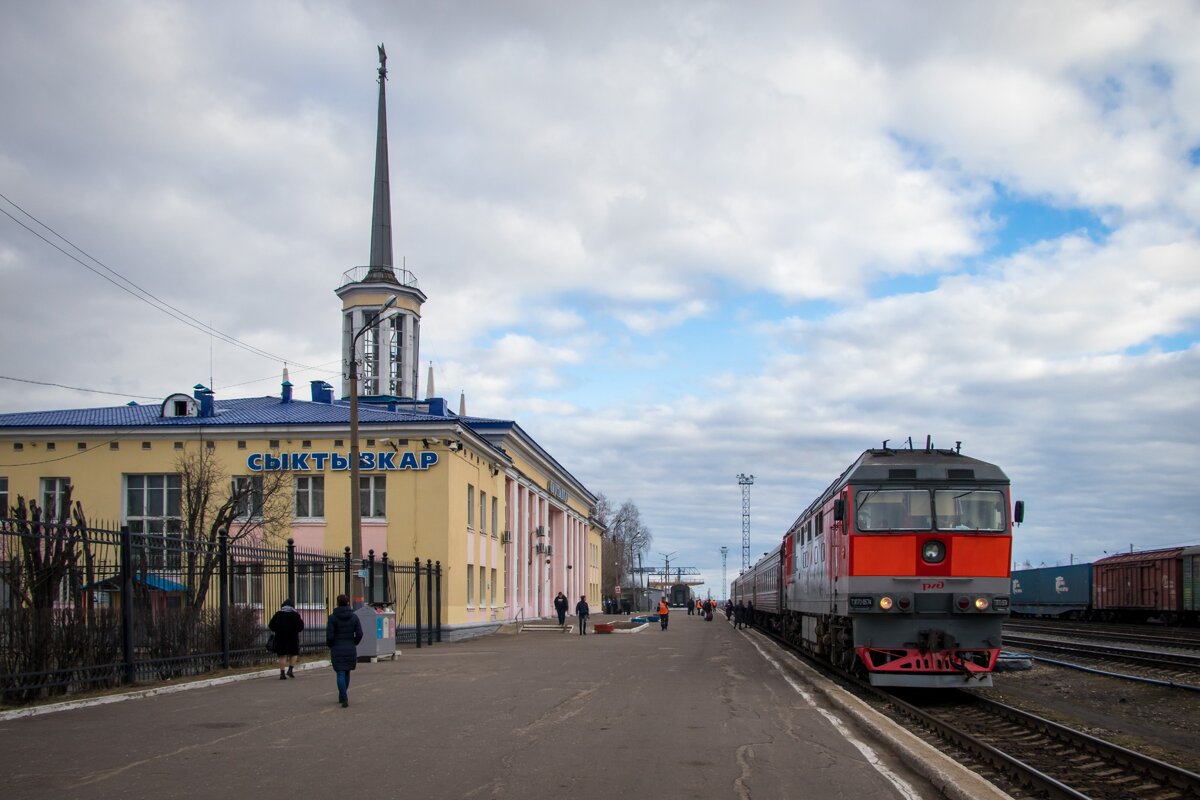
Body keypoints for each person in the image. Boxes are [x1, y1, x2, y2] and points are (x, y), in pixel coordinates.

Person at [326, 594, 363, 708]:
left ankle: (343, 695)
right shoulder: (354, 617)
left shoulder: (332, 618)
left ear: (337, 603)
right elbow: (360, 633)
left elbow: (330, 635)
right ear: (348, 603)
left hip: (337, 647)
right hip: (350, 647)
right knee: (347, 672)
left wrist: (331, 645)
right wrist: (354, 642)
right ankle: (343, 695)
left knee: (340, 672)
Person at [268, 598, 304, 680]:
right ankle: (290, 670)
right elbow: (300, 627)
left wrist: (278, 629)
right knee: (294, 653)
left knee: (282, 655)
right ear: (292, 606)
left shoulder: (278, 614)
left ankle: (282, 673)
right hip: (293, 637)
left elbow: (271, 625)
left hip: (281, 637)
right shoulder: (296, 615)